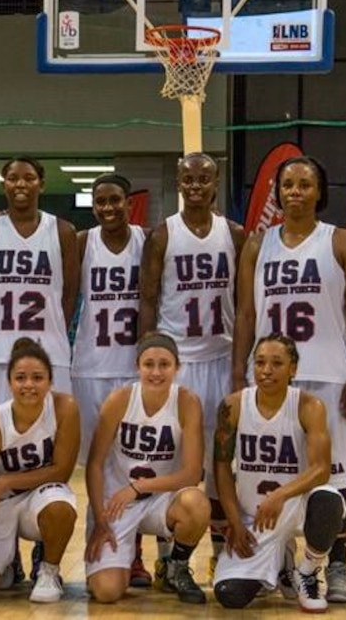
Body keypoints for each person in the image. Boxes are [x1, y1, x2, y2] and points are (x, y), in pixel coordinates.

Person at [231, 155, 346, 603]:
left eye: (305, 184)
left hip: (327, 372)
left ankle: (339, 565)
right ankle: (290, 565)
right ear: (277, 193)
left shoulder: (342, 241)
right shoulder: (257, 245)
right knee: (276, 469)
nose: (295, 191)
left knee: (337, 474)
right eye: (287, 184)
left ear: (319, 191)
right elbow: (247, 314)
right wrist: (238, 371)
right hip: (271, 377)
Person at [139, 152, 245, 583]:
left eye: (204, 178)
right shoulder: (163, 234)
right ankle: (169, 554)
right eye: (188, 179)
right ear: (180, 184)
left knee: (222, 464)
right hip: (177, 362)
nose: (196, 185)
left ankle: (221, 554)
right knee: (170, 461)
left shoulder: (235, 234)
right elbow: (147, 300)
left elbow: (245, 303)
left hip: (220, 357)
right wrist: (148, 360)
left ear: (216, 182)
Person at [212, 334, 346, 613]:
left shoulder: (309, 406)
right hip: (254, 518)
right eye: (260, 362)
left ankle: (307, 571)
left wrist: (280, 495)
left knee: (329, 499)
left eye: (276, 363)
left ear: (293, 368)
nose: (266, 370)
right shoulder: (232, 406)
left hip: (293, 507)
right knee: (229, 595)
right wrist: (234, 521)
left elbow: (321, 470)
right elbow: (221, 467)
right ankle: (281, 563)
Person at [84, 332, 210, 605]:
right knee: (107, 592)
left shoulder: (187, 403)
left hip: (160, 500)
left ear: (177, 367)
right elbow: (94, 464)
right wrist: (98, 519)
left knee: (196, 503)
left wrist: (138, 487)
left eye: (164, 364)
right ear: (137, 366)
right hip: (116, 503)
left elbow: (191, 473)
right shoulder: (119, 400)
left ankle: (174, 568)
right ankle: (113, 564)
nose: (156, 372)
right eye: (148, 364)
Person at [0, 338, 80, 604]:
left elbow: (63, 470)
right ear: (9, 382)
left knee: (61, 507)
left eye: (37, 378)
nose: (29, 385)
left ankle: (49, 571)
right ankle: (6, 560)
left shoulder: (64, 408)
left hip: (40, 497)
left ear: (50, 381)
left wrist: (9, 479)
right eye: (20, 378)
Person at [71, 173, 151, 585]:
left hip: (131, 368)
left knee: (137, 464)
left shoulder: (147, 240)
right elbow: (68, 300)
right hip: (90, 366)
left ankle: (138, 555)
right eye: (100, 201)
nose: (107, 208)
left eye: (115, 200)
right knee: (99, 468)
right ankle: (101, 547)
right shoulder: (83, 243)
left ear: (127, 201)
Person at [0, 156, 79, 413]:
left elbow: (70, 294)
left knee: (53, 433)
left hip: (51, 349)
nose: (21, 184)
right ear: (3, 185)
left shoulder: (63, 231)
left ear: (41, 185)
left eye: (29, 178)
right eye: (13, 178)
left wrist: (55, 331)